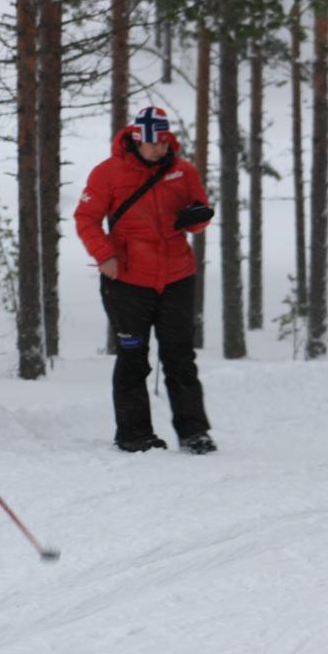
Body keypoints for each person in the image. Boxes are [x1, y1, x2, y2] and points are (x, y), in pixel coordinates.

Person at [74, 106, 216, 455]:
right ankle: (134, 435)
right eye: (153, 144)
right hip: (127, 281)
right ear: (136, 140)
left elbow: (197, 216)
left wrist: (197, 218)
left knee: (180, 357)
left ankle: (194, 433)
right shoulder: (108, 173)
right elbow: (86, 218)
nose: (159, 150)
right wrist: (104, 255)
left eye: (164, 143)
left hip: (177, 277)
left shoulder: (183, 172)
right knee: (133, 356)